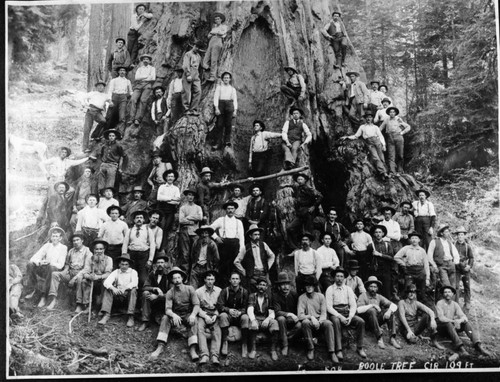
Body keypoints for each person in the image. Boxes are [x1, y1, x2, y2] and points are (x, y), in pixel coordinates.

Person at [150, 267, 200, 361]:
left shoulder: (190, 289)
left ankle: (193, 349)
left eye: (178, 278)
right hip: (176, 315)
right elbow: (168, 309)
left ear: (182, 279)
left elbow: (196, 304)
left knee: (194, 321)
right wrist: (173, 315)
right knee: (165, 318)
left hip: (188, 314)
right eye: (174, 278)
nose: (177, 280)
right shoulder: (170, 292)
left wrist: (193, 315)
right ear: (172, 280)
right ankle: (160, 347)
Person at [326, 267, 367, 360]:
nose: (339, 279)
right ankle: (339, 349)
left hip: (347, 313)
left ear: (344, 278)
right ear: (334, 278)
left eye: (341, 276)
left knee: (361, 321)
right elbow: (329, 307)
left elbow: (353, 305)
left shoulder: (348, 289)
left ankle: (360, 347)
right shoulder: (330, 289)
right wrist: (340, 317)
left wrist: (350, 316)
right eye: (337, 276)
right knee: (336, 322)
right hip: (335, 313)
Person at [436, 286, 490, 356]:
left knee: (466, 323)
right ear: (443, 294)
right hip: (441, 329)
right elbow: (441, 318)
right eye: (445, 292)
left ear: (452, 294)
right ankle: (460, 348)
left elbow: (464, 317)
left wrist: (459, 320)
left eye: (449, 292)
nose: (447, 294)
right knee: (448, 323)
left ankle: (477, 345)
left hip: (451, 329)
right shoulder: (440, 303)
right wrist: (453, 321)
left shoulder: (455, 304)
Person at [46, 232, 93, 310]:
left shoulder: (87, 252)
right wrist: (64, 271)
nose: (75, 242)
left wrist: (74, 278)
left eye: (77, 240)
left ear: (82, 241)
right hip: (71, 272)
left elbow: (86, 269)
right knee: (55, 274)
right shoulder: (71, 251)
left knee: (79, 279)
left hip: (81, 273)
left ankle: (79, 304)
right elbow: (67, 264)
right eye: (74, 241)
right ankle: (53, 300)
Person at [24, 227, 68, 308]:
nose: (54, 238)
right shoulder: (47, 245)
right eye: (53, 236)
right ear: (50, 237)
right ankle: (32, 289)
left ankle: (44, 296)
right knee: (30, 264)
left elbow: (61, 265)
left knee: (51, 268)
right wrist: (40, 262)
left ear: (60, 238)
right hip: (45, 268)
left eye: (56, 236)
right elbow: (34, 258)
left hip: (55, 270)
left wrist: (49, 262)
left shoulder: (63, 248)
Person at [297, 275, 336, 361]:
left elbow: (323, 313)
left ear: (314, 286)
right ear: (305, 286)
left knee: (328, 323)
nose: (309, 288)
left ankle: (332, 351)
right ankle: (311, 348)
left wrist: (319, 321)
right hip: (310, 321)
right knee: (305, 322)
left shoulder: (321, 296)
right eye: (307, 285)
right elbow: (300, 315)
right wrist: (311, 317)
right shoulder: (302, 298)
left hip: (320, 321)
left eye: (311, 285)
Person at [356, 276, 401, 349]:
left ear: (377, 288)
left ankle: (392, 338)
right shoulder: (363, 296)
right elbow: (358, 310)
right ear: (367, 287)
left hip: (376, 322)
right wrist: (372, 305)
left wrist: (389, 311)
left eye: (375, 287)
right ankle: (379, 338)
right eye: (371, 286)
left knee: (390, 312)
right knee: (372, 310)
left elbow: (394, 306)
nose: (373, 289)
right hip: (366, 323)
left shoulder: (379, 296)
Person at [341, 111, 388, 180]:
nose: (368, 119)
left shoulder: (375, 127)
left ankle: (384, 174)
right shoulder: (362, 127)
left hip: (377, 142)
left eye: (370, 117)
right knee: (375, 157)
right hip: (370, 143)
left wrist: (384, 145)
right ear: (365, 119)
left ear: (372, 118)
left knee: (381, 158)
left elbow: (381, 136)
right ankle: (383, 173)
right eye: (367, 117)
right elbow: (356, 136)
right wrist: (347, 137)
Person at [397, 284, 444, 349]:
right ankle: (416, 337)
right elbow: (402, 317)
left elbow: (430, 311)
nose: (412, 294)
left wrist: (433, 320)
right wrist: (409, 330)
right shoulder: (401, 302)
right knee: (412, 341)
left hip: (415, 327)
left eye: (413, 292)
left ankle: (434, 341)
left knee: (427, 316)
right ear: (407, 293)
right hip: (405, 328)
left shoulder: (416, 303)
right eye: (410, 292)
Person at [210, 201, 245, 286]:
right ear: (226, 210)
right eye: (228, 209)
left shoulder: (238, 222)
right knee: (223, 267)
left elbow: (241, 236)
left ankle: (234, 286)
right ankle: (223, 287)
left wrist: (241, 249)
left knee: (234, 267)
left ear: (235, 210)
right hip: (224, 246)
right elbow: (210, 229)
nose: (230, 210)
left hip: (235, 245)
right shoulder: (221, 220)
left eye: (232, 208)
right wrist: (216, 237)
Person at [98, 253, 138, 327]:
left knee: (133, 290)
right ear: (119, 264)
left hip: (127, 295)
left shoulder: (133, 272)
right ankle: (106, 314)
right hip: (117, 294)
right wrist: (114, 288)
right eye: (122, 264)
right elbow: (107, 282)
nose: (124, 266)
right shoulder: (116, 272)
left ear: (129, 265)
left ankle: (130, 316)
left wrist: (125, 288)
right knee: (108, 289)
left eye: (126, 264)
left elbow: (134, 283)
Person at [233, 224, 276, 292]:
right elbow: (236, 261)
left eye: (258, 234)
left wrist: (267, 266)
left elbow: (272, 256)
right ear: (250, 235)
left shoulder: (263, 245)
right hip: (253, 276)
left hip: (263, 274)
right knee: (253, 294)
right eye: (255, 235)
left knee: (267, 293)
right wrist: (244, 271)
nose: (257, 236)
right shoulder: (246, 248)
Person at [216, 272, 250, 357]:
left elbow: (247, 307)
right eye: (233, 279)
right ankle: (224, 342)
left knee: (245, 317)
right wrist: (229, 310)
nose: (235, 281)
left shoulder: (244, 292)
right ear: (230, 280)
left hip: (239, 317)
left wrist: (240, 312)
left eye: (237, 279)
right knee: (223, 316)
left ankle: (244, 345)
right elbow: (220, 305)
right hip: (229, 316)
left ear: (240, 280)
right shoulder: (225, 291)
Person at [286, 173, 323, 249]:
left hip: (308, 212)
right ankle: (296, 247)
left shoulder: (308, 188)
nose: (299, 181)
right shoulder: (298, 188)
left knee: (308, 232)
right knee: (289, 228)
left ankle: (310, 249)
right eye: (298, 179)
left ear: (305, 180)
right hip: (300, 213)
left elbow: (320, 196)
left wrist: (313, 206)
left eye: (301, 179)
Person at [394, 232, 431, 306]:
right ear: (410, 240)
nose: (414, 240)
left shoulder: (422, 250)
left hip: (420, 271)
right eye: (412, 238)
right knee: (408, 290)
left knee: (422, 292)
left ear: (419, 240)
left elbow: (426, 264)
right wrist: (403, 264)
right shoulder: (406, 248)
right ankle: (406, 308)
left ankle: (421, 310)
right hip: (409, 271)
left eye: (416, 238)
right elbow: (396, 257)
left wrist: (427, 278)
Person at [122, 210, 156, 289]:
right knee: (131, 276)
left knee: (143, 278)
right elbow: (125, 244)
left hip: (143, 256)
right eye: (137, 218)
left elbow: (152, 245)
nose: (139, 219)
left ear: (144, 220)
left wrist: (150, 260)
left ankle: (141, 297)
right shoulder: (130, 230)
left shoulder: (148, 230)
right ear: (134, 220)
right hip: (132, 255)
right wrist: (124, 257)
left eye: (141, 218)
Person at [247, 277, 279, 360]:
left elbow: (272, 311)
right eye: (260, 285)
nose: (261, 287)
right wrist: (253, 320)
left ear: (266, 287)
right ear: (257, 286)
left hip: (265, 318)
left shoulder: (268, 297)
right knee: (251, 323)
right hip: (256, 318)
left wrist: (268, 319)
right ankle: (253, 349)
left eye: (264, 285)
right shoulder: (252, 296)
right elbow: (250, 309)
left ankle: (273, 350)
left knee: (275, 323)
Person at [80, 239, 114, 313]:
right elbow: (85, 271)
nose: (99, 251)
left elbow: (108, 274)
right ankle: (88, 305)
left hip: (102, 279)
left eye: (101, 249)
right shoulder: (90, 258)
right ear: (94, 250)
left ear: (104, 249)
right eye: (96, 249)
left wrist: (98, 277)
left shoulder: (109, 259)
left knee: (105, 283)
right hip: (92, 279)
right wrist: (89, 276)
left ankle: (101, 308)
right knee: (84, 281)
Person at [272, 272, 302, 356]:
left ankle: (285, 338)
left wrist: (294, 316)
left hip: (293, 320)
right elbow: (277, 311)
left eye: (287, 284)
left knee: (300, 325)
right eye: (282, 285)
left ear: (290, 285)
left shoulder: (294, 295)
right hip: (282, 320)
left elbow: (299, 309)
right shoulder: (276, 296)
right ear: (279, 286)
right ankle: (285, 345)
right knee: (281, 319)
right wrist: (289, 314)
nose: (285, 287)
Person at [196, 270, 222, 365]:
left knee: (217, 330)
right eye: (208, 279)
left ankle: (215, 355)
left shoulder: (219, 291)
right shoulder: (198, 291)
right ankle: (204, 355)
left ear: (214, 280)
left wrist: (216, 315)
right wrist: (205, 316)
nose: (210, 282)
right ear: (204, 280)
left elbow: (221, 306)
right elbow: (196, 307)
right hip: (203, 314)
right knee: (199, 328)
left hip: (215, 314)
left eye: (212, 279)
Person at [139, 253, 170, 332]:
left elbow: (172, 294)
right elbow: (145, 287)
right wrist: (154, 288)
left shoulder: (169, 276)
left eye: (162, 263)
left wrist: (158, 296)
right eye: (158, 263)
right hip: (153, 300)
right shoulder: (152, 274)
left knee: (161, 320)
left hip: (165, 301)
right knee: (145, 293)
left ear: (165, 264)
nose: (160, 265)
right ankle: (145, 321)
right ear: (156, 264)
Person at [379, 106, 411, 175]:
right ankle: (392, 171)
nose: (392, 113)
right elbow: (380, 128)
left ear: (395, 113)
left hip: (398, 137)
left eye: (393, 112)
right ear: (389, 113)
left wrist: (402, 132)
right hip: (390, 138)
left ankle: (400, 170)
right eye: (390, 112)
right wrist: (376, 133)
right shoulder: (386, 120)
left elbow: (408, 127)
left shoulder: (398, 119)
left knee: (400, 154)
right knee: (391, 155)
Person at [427, 224, 459, 289]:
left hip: (451, 265)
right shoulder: (434, 242)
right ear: (441, 233)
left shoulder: (449, 242)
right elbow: (429, 255)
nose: (448, 233)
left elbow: (456, 254)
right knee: (446, 286)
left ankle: (452, 299)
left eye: (448, 231)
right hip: (442, 265)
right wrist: (434, 265)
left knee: (453, 286)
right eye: (446, 232)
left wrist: (455, 262)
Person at [179, 189, 203, 272]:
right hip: (184, 231)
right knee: (185, 254)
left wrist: (188, 217)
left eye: (192, 195)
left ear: (194, 197)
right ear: (186, 196)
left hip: (195, 231)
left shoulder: (198, 207)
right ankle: (184, 274)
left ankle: (193, 274)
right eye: (189, 195)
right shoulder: (183, 208)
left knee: (195, 253)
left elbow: (200, 217)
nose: (190, 197)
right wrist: (192, 220)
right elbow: (181, 220)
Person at [82, 81, 111, 152]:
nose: (100, 87)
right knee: (87, 129)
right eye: (99, 86)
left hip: (98, 111)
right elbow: (83, 97)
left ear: (104, 87)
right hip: (90, 110)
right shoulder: (93, 93)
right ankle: (85, 148)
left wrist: (111, 103)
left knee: (103, 121)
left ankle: (95, 135)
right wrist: (85, 105)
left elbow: (110, 102)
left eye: (102, 86)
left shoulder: (105, 95)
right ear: (96, 87)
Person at [368, 225, 395, 299]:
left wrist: (380, 254)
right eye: (376, 232)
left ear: (383, 234)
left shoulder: (387, 244)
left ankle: (387, 305)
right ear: (374, 234)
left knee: (386, 290)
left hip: (386, 270)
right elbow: (368, 259)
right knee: (376, 288)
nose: (378, 234)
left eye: (380, 232)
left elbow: (391, 258)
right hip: (375, 270)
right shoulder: (371, 245)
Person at [157, 169, 181, 250]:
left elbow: (177, 202)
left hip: (170, 211)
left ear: (174, 178)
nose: (170, 178)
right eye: (169, 176)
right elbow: (159, 198)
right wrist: (171, 199)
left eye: (172, 176)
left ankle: (163, 248)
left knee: (167, 228)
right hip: (161, 210)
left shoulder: (176, 189)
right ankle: (158, 247)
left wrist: (166, 200)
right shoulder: (162, 187)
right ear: (166, 178)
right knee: (161, 227)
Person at [212, 72, 237, 148]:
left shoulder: (232, 89)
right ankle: (218, 143)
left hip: (229, 105)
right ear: (222, 79)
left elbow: (235, 100)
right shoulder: (219, 87)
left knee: (228, 124)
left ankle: (227, 141)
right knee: (219, 124)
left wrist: (235, 110)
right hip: (221, 105)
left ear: (230, 79)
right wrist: (216, 108)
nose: (226, 79)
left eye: (227, 78)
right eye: (225, 78)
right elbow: (216, 98)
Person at [130, 54, 156, 126]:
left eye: (147, 59)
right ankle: (131, 117)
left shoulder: (152, 68)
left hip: (147, 85)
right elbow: (137, 78)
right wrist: (146, 76)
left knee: (143, 100)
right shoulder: (139, 69)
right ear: (142, 61)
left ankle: (138, 119)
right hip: (139, 85)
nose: (145, 60)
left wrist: (142, 77)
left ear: (149, 61)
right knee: (133, 99)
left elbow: (153, 78)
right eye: (144, 59)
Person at [453, 226, 475, 310]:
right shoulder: (453, 245)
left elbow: (471, 258)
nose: (460, 236)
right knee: (456, 286)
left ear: (464, 236)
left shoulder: (467, 246)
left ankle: (467, 302)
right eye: (458, 235)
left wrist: (469, 266)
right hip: (457, 268)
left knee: (467, 285)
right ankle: (456, 303)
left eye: (462, 235)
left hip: (465, 268)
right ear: (457, 236)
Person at [202, 12, 227, 82]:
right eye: (216, 20)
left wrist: (214, 33)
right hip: (211, 42)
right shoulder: (214, 27)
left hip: (218, 42)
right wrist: (215, 33)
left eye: (218, 19)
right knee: (205, 59)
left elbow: (222, 34)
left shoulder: (224, 27)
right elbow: (208, 36)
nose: (217, 21)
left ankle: (213, 76)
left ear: (221, 20)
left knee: (214, 60)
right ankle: (207, 68)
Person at [182, 42, 202, 115]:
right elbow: (185, 65)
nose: (197, 48)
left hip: (196, 73)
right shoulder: (188, 54)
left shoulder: (199, 56)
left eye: (199, 48)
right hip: (189, 71)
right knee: (186, 91)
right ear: (194, 46)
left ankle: (193, 109)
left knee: (198, 91)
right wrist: (188, 74)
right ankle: (186, 109)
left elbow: (199, 66)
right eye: (196, 46)